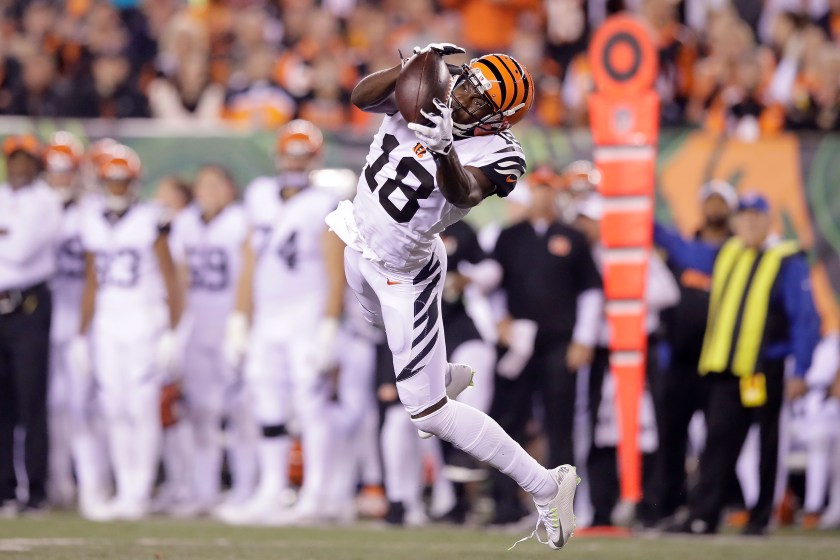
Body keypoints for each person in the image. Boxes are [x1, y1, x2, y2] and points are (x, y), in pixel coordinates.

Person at [326, 43, 578, 550]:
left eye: (482, 102)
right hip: (359, 242)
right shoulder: (429, 91)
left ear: (501, 119)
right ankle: (439, 373)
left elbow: (464, 193)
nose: (465, 101)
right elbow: (359, 97)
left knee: (427, 413)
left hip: (407, 272)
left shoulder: (504, 154)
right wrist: (406, 70)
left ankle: (548, 485)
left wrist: (443, 149)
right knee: (371, 321)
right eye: (467, 85)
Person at [657, 192, 820, 535]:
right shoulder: (727, 253)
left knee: (768, 443)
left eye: (754, 216)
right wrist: (645, 220)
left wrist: (802, 370)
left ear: (767, 219)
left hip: (765, 370)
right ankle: (704, 515)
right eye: (742, 216)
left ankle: (762, 517)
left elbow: (804, 319)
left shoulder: (785, 259)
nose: (747, 223)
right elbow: (685, 251)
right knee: (717, 441)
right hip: (727, 370)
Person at [220, 120, 345, 525]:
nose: (294, 161)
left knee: (309, 404)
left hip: (306, 312)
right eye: (290, 153)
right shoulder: (259, 195)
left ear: (314, 159)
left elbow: (334, 267)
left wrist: (329, 323)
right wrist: (240, 315)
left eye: (301, 155)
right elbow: (250, 259)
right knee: (267, 402)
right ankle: (272, 489)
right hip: (268, 314)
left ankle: (316, 494)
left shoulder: (325, 200)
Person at [71, 145, 183, 520]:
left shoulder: (153, 218)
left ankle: (138, 491)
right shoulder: (91, 219)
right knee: (114, 409)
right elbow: (91, 282)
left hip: (144, 321)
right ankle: (124, 488)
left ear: (133, 182)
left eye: (122, 181)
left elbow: (171, 279)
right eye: (111, 181)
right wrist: (82, 334)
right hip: (107, 323)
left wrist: (172, 330)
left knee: (140, 407)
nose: (117, 188)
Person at [487, 165, 602, 526]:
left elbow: (590, 292)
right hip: (518, 344)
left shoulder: (573, 236)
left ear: (558, 194)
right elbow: (491, 286)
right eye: (538, 188)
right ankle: (505, 506)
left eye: (549, 189)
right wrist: (499, 321)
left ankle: (564, 507)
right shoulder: (509, 236)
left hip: (558, 343)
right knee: (508, 424)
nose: (543, 196)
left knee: (560, 426)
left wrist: (584, 338)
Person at [168, 164, 254, 516]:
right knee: (200, 411)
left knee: (240, 410)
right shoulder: (186, 222)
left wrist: (241, 320)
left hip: (231, 322)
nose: (209, 191)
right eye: (203, 185)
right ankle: (202, 490)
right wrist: (176, 328)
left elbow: (250, 271)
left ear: (230, 189)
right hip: (198, 323)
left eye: (216, 184)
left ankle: (245, 488)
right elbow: (178, 277)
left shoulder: (240, 221)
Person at [655, 179, 737, 523]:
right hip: (681, 358)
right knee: (672, 436)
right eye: (710, 200)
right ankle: (669, 505)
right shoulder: (684, 249)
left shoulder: (739, 252)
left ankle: (715, 505)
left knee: (719, 438)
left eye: (721, 200)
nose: (714, 206)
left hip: (722, 362)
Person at [42, 132, 110, 517]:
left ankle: (92, 484)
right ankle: (56, 481)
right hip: (44, 316)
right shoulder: (34, 206)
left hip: (86, 317)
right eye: (55, 171)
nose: (61, 178)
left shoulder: (93, 209)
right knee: (50, 405)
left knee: (85, 404)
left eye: (67, 170)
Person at [0, 134, 62, 516]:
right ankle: (4, 489)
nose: (19, 167)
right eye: (13, 160)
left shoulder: (45, 201)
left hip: (30, 307)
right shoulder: (4, 196)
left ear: (36, 164)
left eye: (25, 161)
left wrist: (7, 236)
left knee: (31, 402)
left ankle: (36, 490)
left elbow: (21, 252)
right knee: (1, 405)